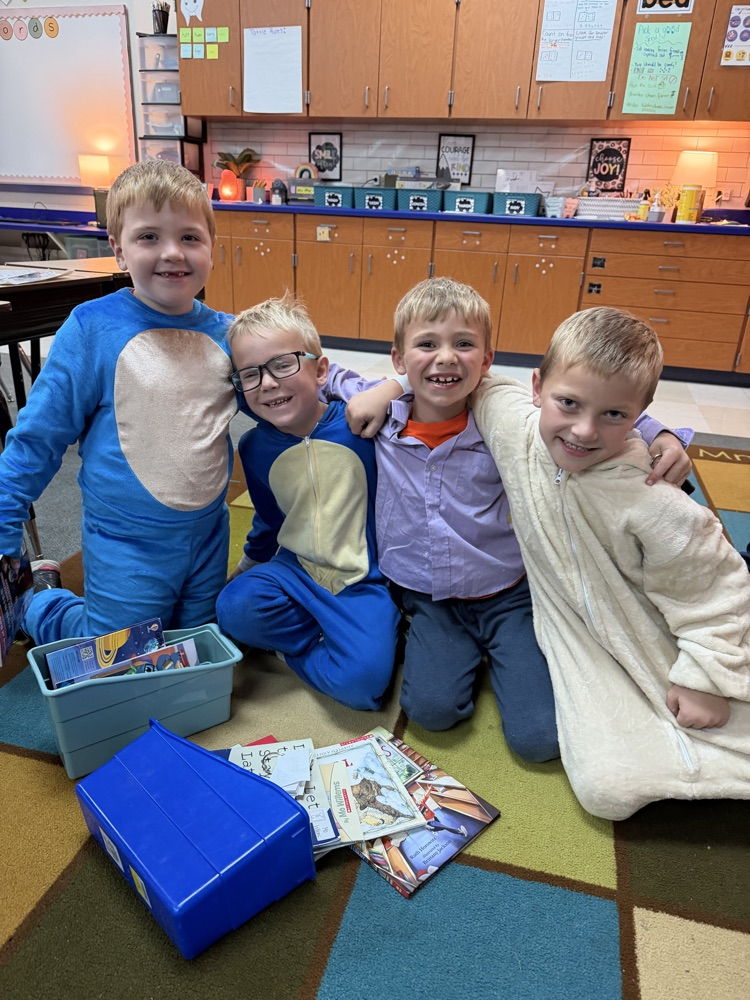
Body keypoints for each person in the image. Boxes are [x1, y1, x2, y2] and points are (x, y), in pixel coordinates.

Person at [344, 279, 691, 763]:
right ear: (398, 358)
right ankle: (447, 649)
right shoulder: (385, 416)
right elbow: (326, 375)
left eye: (464, 344)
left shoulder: (506, 422)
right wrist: (387, 387)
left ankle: (496, 654)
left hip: (506, 594)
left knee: (539, 739)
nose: (446, 357)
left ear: (487, 360)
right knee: (431, 712)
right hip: (428, 596)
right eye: (427, 345)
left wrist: (664, 434)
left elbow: (593, 398)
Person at [471, 306, 750, 820]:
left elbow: (718, 588)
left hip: (657, 633)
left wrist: (705, 679)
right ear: (537, 388)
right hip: (577, 641)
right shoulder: (514, 425)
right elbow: (474, 381)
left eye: (614, 415)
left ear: (639, 414)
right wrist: (382, 387)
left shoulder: (652, 497)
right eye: (569, 403)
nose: (583, 430)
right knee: (607, 790)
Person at [0, 160, 238, 644]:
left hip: (208, 538)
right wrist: (5, 518)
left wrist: (379, 393)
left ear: (212, 248)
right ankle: (42, 603)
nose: (172, 252)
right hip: (127, 543)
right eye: (149, 237)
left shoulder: (230, 335)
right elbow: (38, 438)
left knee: (196, 650)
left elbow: (291, 386)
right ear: (119, 250)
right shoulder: (91, 328)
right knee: (118, 655)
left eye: (190, 237)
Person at [215, 296, 401, 711]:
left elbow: (419, 390)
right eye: (250, 374)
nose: (268, 383)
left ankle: (307, 646)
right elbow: (269, 521)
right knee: (233, 609)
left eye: (283, 365)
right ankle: (324, 639)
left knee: (363, 685)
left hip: (360, 579)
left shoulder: (362, 426)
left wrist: (391, 387)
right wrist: (245, 568)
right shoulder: (254, 448)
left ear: (320, 370)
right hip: (294, 570)